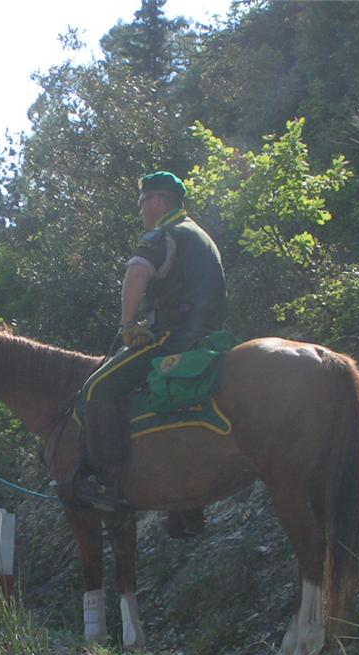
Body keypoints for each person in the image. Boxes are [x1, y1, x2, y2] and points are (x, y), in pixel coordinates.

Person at [76, 171, 228, 511]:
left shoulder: (163, 234)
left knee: (96, 388)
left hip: (174, 336)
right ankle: (185, 507)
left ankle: (106, 484)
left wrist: (128, 325)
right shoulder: (201, 235)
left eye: (142, 201)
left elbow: (137, 273)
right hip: (209, 336)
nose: (140, 210)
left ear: (158, 200)